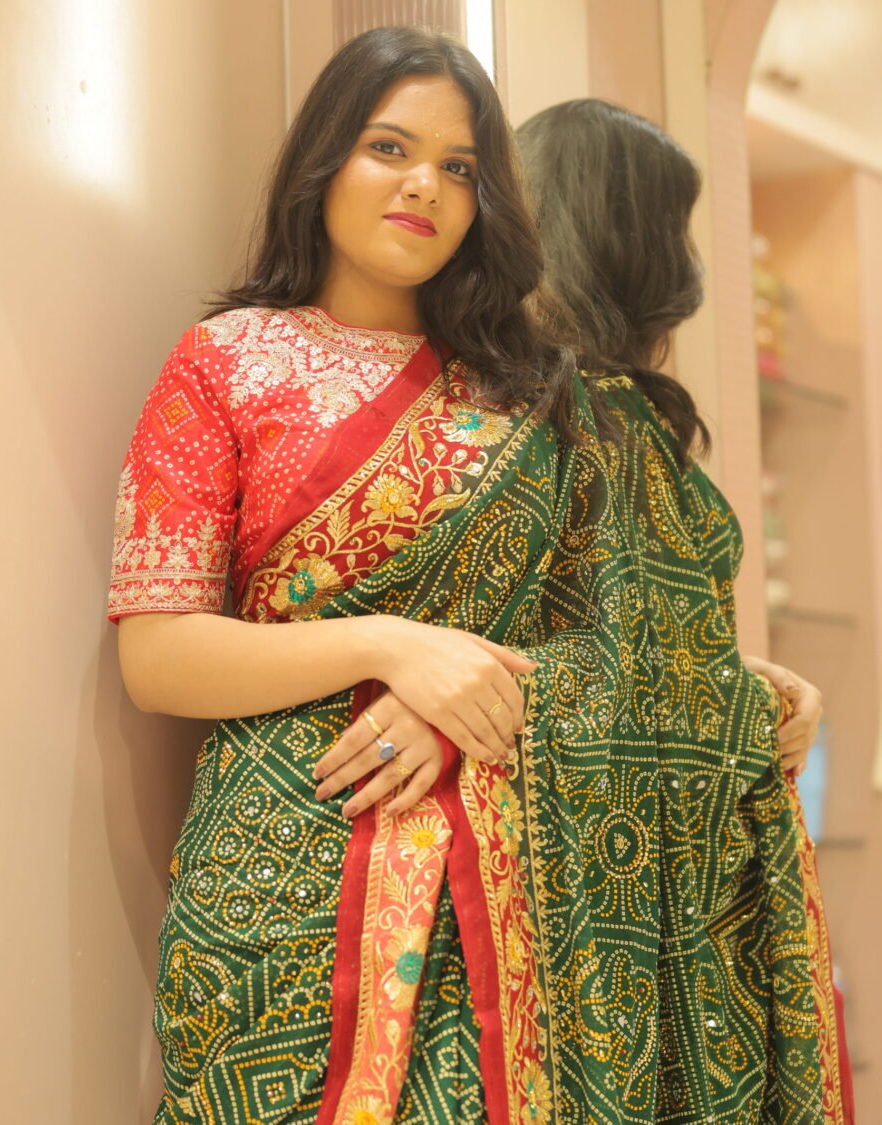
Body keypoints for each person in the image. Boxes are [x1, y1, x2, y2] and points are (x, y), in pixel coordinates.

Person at [111, 26, 597, 1125]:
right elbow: (156, 656)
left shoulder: (531, 404)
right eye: (390, 147)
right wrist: (392, 646)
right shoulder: (225, 363)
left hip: (498, 870)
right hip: (278, 882)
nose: (426, 184)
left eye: (460, 168)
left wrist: (463, 706)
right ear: (326, 159)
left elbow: (602, 645)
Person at [515, 97, 854, 1124]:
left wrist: (743, 681)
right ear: (640, 244)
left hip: (602, 882)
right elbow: (609, 665)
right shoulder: (580, 424)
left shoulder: (585, 418)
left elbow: (625, 642)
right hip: (606, 894)